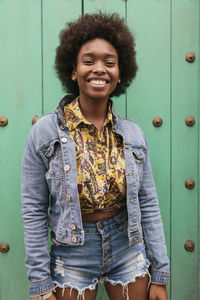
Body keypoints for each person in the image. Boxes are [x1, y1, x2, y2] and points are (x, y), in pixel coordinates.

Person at [21, 12, 170, 300]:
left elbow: (148, 204)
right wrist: (40, 284)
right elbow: (33, 210)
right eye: (88, 61)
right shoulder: (44, 133)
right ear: (73, 70)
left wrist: (160, 274)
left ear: (119, 73)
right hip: (72, 252)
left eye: (109, 63)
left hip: (128, 246)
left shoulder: (134, 135)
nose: (99, 69)